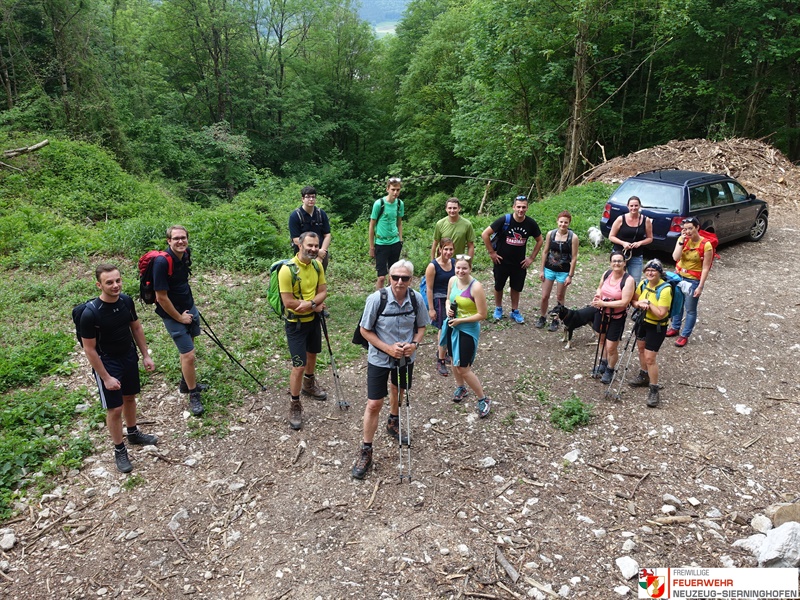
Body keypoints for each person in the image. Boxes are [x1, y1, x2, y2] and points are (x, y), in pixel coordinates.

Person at [351, 260, 429, 480]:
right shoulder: (377, 299)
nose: (399, 282)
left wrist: (414, 344)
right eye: (395, 277)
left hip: (405, 358)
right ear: (389, 277)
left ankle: (393, 420)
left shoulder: (416, 299)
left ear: (411, 279)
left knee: (399, 389)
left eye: (404, 278)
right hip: (379, 357)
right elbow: (364, 330)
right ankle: (366, 449)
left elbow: (421, 326)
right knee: (374, 403)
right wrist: (388, 348)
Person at [80, 264, 157, 473]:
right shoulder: (90, 314)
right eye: (109, 282)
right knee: (115, 409)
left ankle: (132, 433)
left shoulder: (126, 301)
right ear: (99, 285)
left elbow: (136, 327)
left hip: (128, 356)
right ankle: (119, 449)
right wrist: (105, 377)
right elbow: (90, 350)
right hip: (107, 362)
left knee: (130, 397)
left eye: (118, 280)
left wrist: (145, 355)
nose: (115, 285)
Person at [153, 225, 206, 417]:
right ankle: (193, 394)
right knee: (189, 355)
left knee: (190, 345)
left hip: (188, 307)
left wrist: (190, 309)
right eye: (176, 238)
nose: (180, 241)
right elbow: (161, 297)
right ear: (168, 241)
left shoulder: (185, 254)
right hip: (172, 313)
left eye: (183, 238)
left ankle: (186, 382)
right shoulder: (161, 262)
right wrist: (180, 317)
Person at [279, 231, 328, 430]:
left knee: (313, 354)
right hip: (296, 325)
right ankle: (295, 402)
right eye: (310, 245)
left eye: (316, 246)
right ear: (300, 245)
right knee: (299, 364)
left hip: (313, 320)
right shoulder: (287, 270)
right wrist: (314, 304)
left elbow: (323, 291)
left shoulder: (317, 265)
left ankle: (309, 384)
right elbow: (288, 302)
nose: (313, 249)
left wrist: (311, 304)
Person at [480, 195, 543, 323]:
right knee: (499, 286)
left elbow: (540, 240)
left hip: (519, 263)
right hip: (501, 261)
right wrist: (492, 253)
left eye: (523, 207)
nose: (521, 210)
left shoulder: (530, 223)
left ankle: (515, 310)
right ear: (514, 207)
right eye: (518, 207)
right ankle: (498, 308)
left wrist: (531, 258)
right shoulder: (505, 220)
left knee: (516, 287)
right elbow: (485, 234)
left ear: (527, 208)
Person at [440, 255, 490, 417]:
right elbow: (448, 299)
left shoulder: (476, 287)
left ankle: (483, 398)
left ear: (470, 269)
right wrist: (448, 308)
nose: (461, 271)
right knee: (454, 361)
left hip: (467, 329)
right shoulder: (452, 281)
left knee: (464, 367)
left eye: (464, 268)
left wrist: (461, 320)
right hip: (452, 325)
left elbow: (482, 314)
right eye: (458, 268)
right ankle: (461, 388)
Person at [630, 259, 671, 408]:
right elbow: (634, 300)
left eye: (653, 270)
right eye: (648, 270)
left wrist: (648, 303)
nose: (650, 272)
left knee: (650, 358)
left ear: (659, 272)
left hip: (657, 327)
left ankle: (654, 389)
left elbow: (661, 313)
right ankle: (643, 375)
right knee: (641, 350)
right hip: (642, 322)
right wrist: (638, 304)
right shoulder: (643, 284)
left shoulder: (665, 289)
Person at [667, 216, 713, 347]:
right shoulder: (682, 240)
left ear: (697, 227)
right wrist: (681, 241)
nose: (687, 231)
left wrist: (700, 286)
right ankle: (675, 327)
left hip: (693, 280)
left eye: (690, 229)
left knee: (690, 309)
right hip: (678, 277)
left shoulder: (706, 245)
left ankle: (684, 335)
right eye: (685, 229)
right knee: (677, 303)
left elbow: (705, 268)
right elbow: (675, 257)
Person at [590, 251, 636, 384]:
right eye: (614, 261)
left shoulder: (628, 280)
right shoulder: (606, 274)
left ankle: (610, 368)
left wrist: (604, 303)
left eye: (619, 261)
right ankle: (603, 363)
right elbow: (599, 288)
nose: (617, 263)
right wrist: (598, 296)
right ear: (610, 263)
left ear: (624, 263)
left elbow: (624, 302)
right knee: (601, 339)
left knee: (611, 346)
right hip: (602, 312)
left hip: (616, 316)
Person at [536, 211, 579, 331]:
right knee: (545, 296)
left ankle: (556, 320)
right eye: (561, 222)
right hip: (549, 269)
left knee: (560, 296)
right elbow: (545, 251)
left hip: (563, 271)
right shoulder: (551, 234)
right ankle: (542, 316)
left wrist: (570, 275)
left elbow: (574, 257)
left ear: (569, 223)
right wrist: (541, 270)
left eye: (566, 222)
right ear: (557, 221)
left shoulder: (573, 237)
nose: (563, 224)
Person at [424, 238, 456, 376]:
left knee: (452, 326)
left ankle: (444, 351)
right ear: (440, 249)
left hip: (451, 298)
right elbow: (429, 288)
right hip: (438, 298)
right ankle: (440, 360)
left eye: (451, 249)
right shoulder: (433, 266)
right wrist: (431, 309)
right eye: (446, 249)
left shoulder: (454, 263)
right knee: (443, 328)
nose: (448, 252)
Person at [607, 195, 653, 283]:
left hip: (636, 255)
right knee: (617, 280)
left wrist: (640, 243)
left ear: (640, 206)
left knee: (635, 282)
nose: (634, 208)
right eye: (631, 206)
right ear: (628, 206)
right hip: (620, 254)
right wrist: (623, 243)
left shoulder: (645, 220)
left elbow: (650, 238)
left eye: (636, 205)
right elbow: (611, 236)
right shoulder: (621, 219)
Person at [369, 177, 404, 290]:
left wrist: (400, 239)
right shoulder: (379, 204)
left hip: (395, 242)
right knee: (381, 277)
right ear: (387, 189)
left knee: (393, 275)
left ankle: (391, 298)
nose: (395, 192)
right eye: (393, 189)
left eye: (397, 190)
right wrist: (371, 246)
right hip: (381, 243)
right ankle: (378, 299)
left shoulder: (399, 204)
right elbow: (372, 225)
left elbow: (399, 223)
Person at [288, 185, 331, 270]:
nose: (311, 199)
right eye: (308, 197)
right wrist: (317, 251)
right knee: (303, 278)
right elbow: (296, 239)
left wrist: (322, 252)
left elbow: (327, 235)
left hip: (321, 252)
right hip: (303, 253)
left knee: (320, 278)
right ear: (303, 199)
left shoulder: (321, 214)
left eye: (313, 197)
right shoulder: (295, 216)